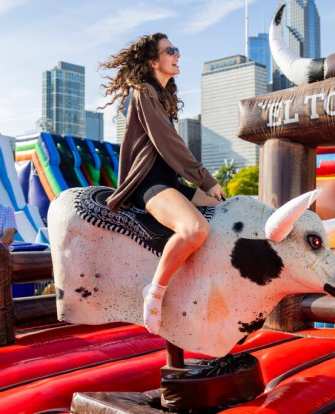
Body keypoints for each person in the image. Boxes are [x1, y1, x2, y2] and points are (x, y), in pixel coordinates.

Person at [100, 33, 224, 335]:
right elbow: (168, 143)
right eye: (171, 51)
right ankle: (154, 292)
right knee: (196, 229)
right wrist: (205, 180)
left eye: (177, 49)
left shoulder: (162, 97)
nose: (178, 54)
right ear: (154, 61)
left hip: (170, 182)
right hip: (149, 184)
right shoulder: (143, 92)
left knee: (225, 210)